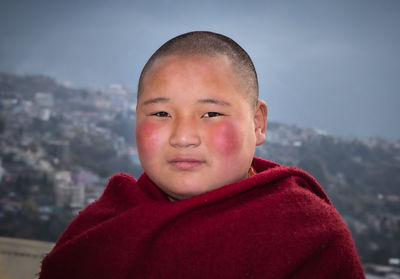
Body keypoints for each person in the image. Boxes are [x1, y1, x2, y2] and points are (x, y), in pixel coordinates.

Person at [39, 31, 365, 278]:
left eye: (210, 115)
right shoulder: (101, 229)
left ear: (257, 123)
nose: (183, 137)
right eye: (161, 114)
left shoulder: (308, 235)